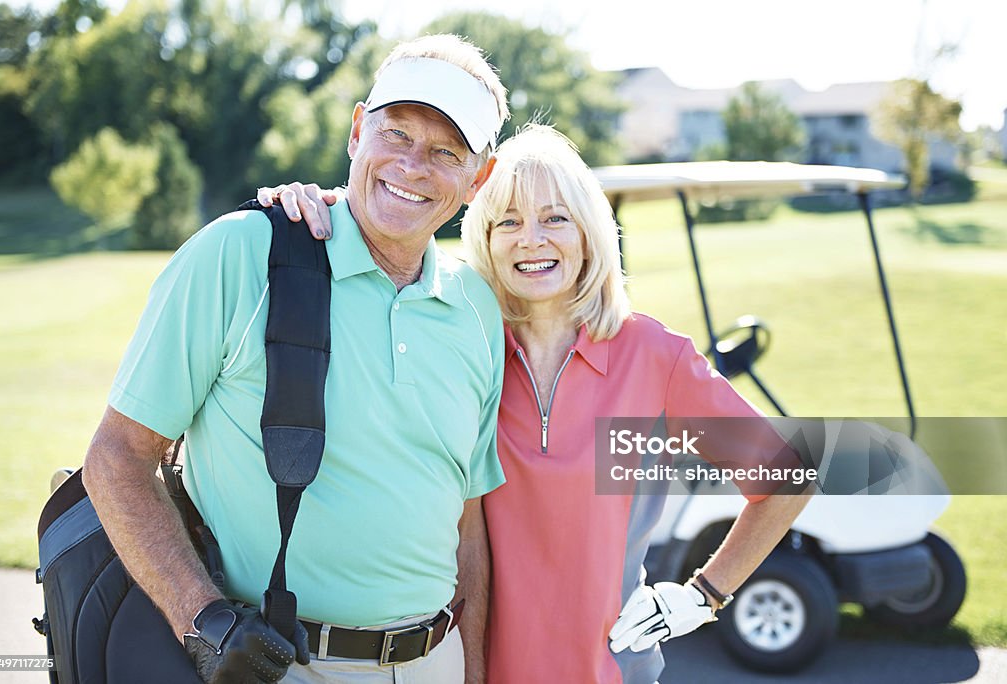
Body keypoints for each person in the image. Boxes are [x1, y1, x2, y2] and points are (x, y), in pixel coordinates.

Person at [265, 124, 813, 683]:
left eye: (555, 218)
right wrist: (313, 210)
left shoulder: (655, 357)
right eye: (509, 221)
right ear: (486, 239)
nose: (531, 239)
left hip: (612, 673)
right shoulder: (460, 346)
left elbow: (786, 477)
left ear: (588, 233)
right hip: (467, 670)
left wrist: (704, 594)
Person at [82, 34, 511, 684]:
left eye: (446, 151)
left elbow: (468, 516)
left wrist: (472, 670)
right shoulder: (238, 255)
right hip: (276, 666)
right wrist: (205, 624)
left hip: (436, 663)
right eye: (395, 134)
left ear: (479, 178)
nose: (413, 165)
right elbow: (117, 458)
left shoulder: (477, 307)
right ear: (357, 131)